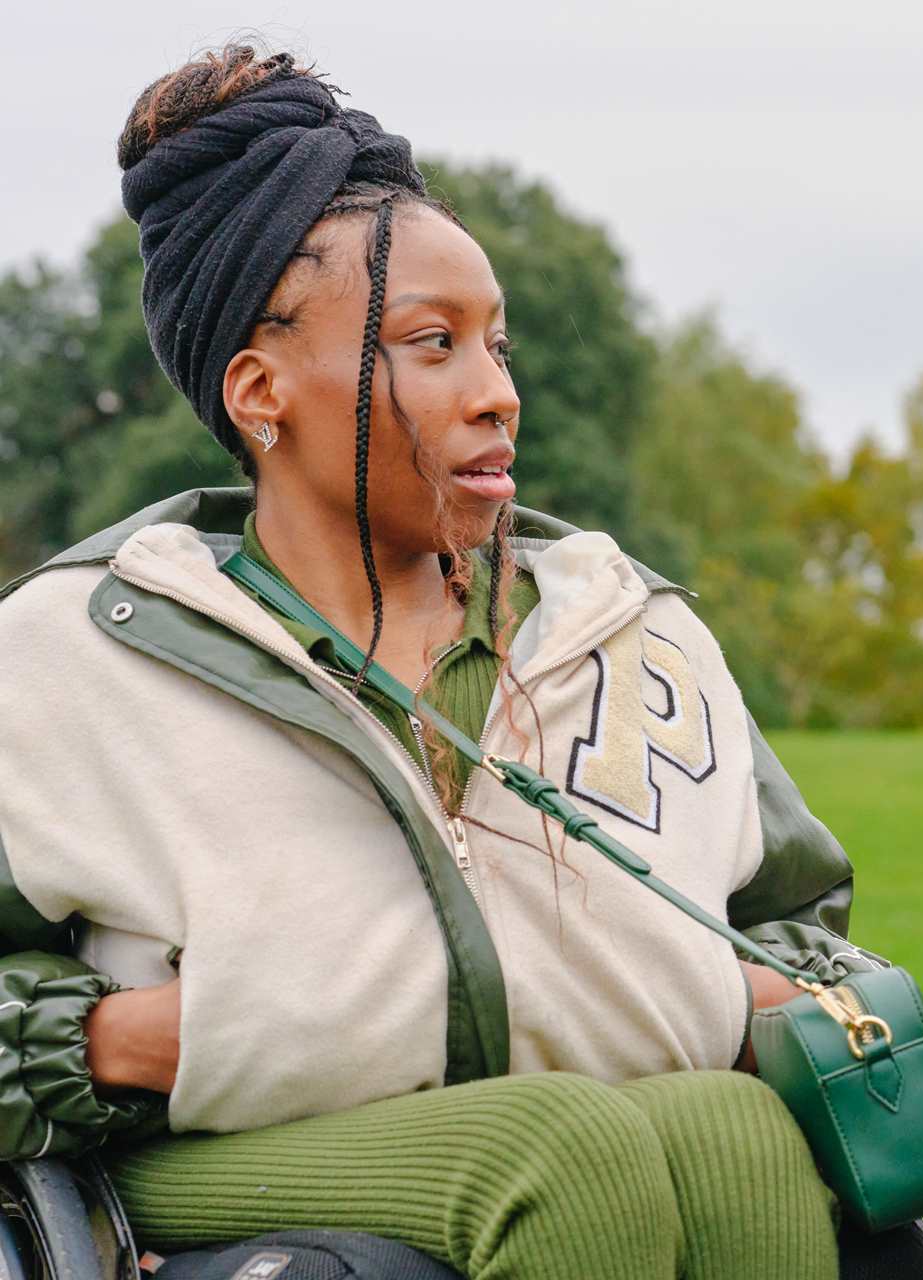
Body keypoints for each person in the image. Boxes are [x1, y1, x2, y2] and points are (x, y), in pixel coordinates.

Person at [0, 44, 872, 1280]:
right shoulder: (72, 650)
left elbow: (796, 920)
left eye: (498, 347)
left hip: (591, 1112)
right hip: (226, 1152)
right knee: (558, 1146)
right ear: (262, 390)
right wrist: (128, 1040)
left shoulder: (632, 629)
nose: (497, 393)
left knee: (734, 1134)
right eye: (433, 345)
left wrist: (722, 990)